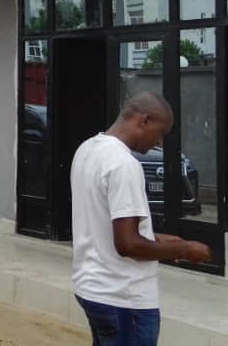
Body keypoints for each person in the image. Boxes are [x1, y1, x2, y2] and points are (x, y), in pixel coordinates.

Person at [71, 91, 212, 346]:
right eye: (160, 133)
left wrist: (154, 237)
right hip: (123, 298)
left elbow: (102, 223)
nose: (159, 142)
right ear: (144, 120)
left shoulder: (87, 150)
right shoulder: (124, 164)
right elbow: (128, 245)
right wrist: (183, 249)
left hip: (93, 289)